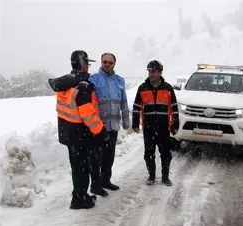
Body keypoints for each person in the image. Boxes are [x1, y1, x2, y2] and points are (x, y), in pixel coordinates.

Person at [48, 50, 110, 209]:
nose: (88, 67)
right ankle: (80, 199)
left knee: (77, 167)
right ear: (83, 65)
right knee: (82, 169)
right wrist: (101, 131)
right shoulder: (82, 86)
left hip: (69, 133)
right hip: (80, 135)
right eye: (87, 64)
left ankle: (79, 194)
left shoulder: (65, 84)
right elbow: (87, 114)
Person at [132, 60, 179, 186]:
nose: (151, 74)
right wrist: (135, 123)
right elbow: (136, 106)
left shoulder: (168, 88)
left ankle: (165, 177)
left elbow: (174, 107)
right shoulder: (142, 88)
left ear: (160, 72)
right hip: (149, 127)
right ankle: (151, 176)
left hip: (164, 127)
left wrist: (175, 124)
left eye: (154, 71)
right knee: (149, 153)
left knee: (165, 153)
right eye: (149, 71)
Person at [89, 53, 129, 191]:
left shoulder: (119, 81)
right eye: (104, 62)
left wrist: (126, 120)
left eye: (110, 63)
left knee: (109, 157)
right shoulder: (93, 80)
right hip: (99, 127)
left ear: (114, 64)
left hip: (113, 127)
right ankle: (96, 184)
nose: (107, 64)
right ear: (101, 62)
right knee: (97, 158)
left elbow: (123, 102)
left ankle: (106, 180)